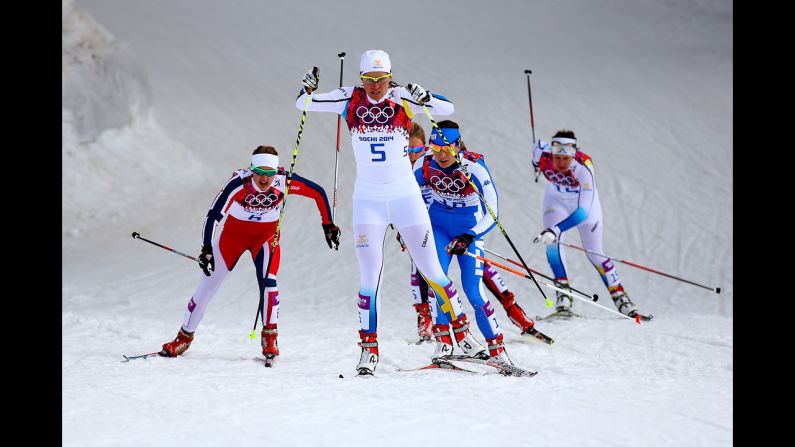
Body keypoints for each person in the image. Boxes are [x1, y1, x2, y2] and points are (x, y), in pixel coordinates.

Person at [297, 49, 484, 375]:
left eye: (381, 79)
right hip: (368, 202)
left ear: (389, 77)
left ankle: (462, 334)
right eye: (369, 79)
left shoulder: (403, 98)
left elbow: (447, 108)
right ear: (361, 78)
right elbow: (303, 104)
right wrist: (307, 89)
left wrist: (425, 95)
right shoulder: (349, 100)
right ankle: (368, 350)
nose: (376, 86)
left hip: (405, 198)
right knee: (370, 278)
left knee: (433, 271)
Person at [160, 145, 341, 367]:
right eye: (259, 173)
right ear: (251, 168)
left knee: (269, 284)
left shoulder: (284, 181)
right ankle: (183, 338)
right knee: (206, 288)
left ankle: (270, 339)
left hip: (264, 239)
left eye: (269, 173)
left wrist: (328, 224)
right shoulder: (239, 184)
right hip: (232, 239)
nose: (264, 179)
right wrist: (206, 247)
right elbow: (213, 215)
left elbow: (318, 192)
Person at [412, 120, 511, 363]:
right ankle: (444, 343)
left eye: (447, 148)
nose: (442, 154)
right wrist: (406, 229)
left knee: (473, 291)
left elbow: (494, 213)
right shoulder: (424, 163)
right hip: (438, 227)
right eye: (436, 147)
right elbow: (407, 199)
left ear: (458, 145)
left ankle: (497, 351)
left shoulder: (474, 166)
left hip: (469, 228)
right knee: (437, 283)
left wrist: (469, 236)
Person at [531, 130, 643, 318]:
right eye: (557, 157)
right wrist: (535, 164)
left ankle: (621, 297)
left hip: (584, 205)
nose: (560, 163)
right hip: (556, 200)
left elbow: (582, 213)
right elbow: (536, 158)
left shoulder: (584, 167)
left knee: (594, 253)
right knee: (551, 244)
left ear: (573, 155)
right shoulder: (541, 152)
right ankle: (563, 295)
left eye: (565, 158)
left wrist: (556, 229)